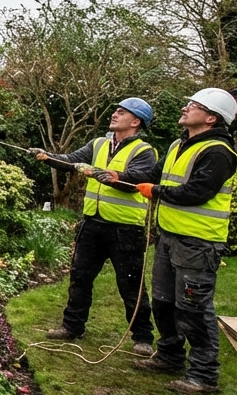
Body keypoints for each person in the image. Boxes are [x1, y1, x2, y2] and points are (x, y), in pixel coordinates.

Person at [27, 97, 158, 354]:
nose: (114, 114)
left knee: (130, 284)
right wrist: (46, 157)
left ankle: (142, 337)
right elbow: (70, 160)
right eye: (116, 111)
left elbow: (136, 181)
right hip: (92, 224)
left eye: (121, 112)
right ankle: (72, 326)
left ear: (136, 121)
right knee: (80, 277)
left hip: (125, 229)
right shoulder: (98, 143)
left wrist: (104, 175)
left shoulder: (144, 151)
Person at [133, 88, 237, 395]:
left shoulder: (218, 152)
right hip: (169, 237)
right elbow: (152, 175)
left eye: (193, 105)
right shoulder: (178, 145)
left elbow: (197, 192)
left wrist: (156, 192)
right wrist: (118, 177)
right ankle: (169, 356)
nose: (185, 107)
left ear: (211, 118)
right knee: (163, 302)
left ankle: (204, 375)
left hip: (199, 244)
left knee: (193, 309)